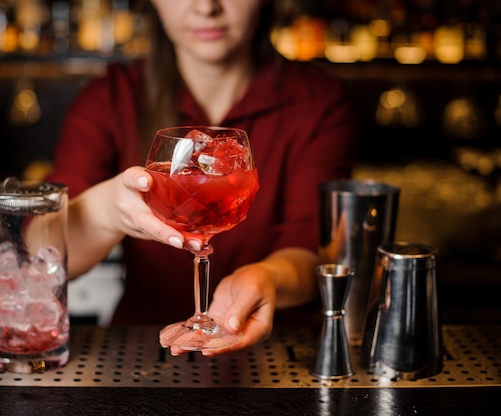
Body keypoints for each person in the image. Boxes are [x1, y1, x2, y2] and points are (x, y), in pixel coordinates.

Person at [44, 0, 358, 356]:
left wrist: (267, 277)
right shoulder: (109, 98)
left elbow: (314, 248)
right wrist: (104, 211)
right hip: (143, 350)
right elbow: (42, 253)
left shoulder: (318, 101)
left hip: (279, 353)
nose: (207, 7)